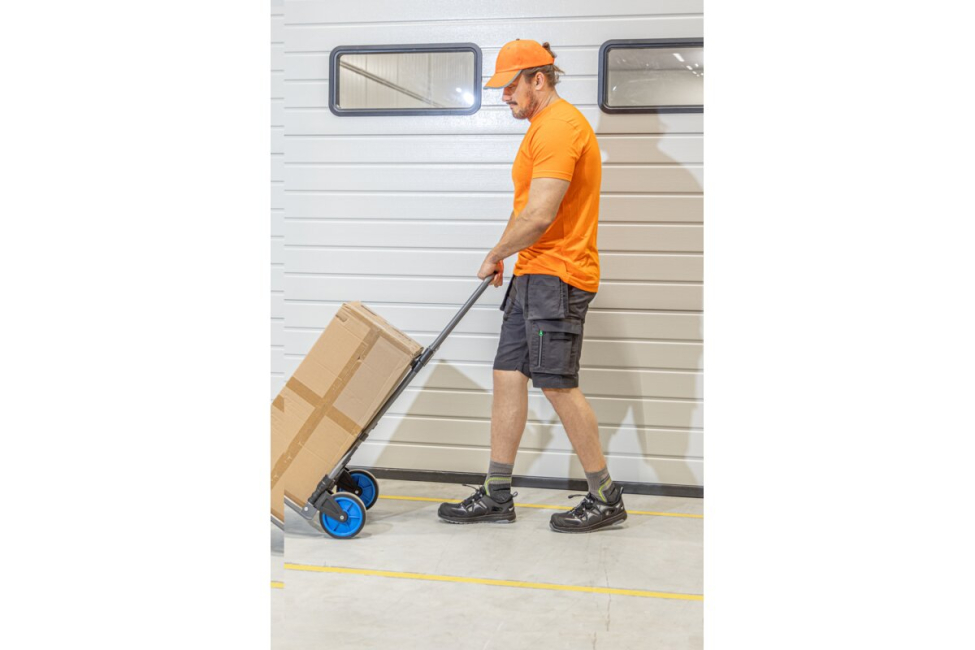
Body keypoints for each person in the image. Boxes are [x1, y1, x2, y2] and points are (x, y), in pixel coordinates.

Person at [437, 39, 626, 533]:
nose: (504, 96)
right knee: (507, 375)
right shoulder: (541, 128)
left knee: (558, 385)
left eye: (510, 87)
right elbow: (525, 208)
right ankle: (497, 493)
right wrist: (506, 254)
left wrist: (495, 253)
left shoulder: (560, 128)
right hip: (533, 273)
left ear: (537, 79)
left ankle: (606, 496)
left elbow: (541, 214)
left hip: (558, 276)